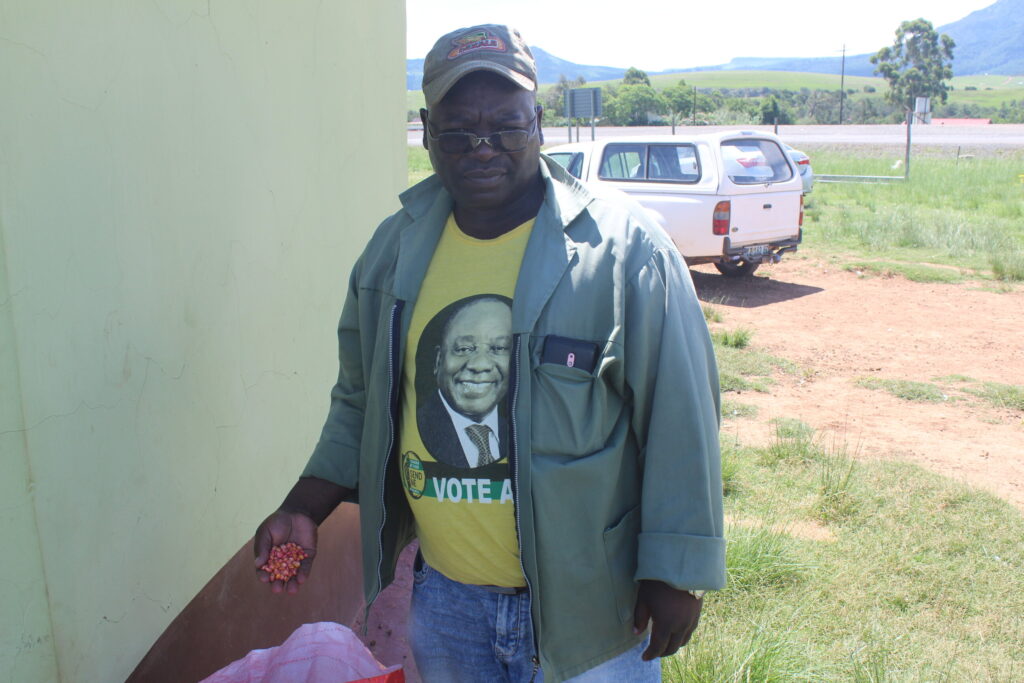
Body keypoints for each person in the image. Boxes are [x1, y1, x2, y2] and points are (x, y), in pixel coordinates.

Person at [253, 23, 725, 683]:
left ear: (538, 123)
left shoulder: (624, 252)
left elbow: (681, 414)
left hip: (590, 606)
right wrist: (305, 505)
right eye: (457, 131)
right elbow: (360, 400)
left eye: (505, 126)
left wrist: (675, 571)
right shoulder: (393, 252)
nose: (483, 149)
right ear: (426, 131)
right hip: (447, 601)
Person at [417, 295, 512, 468]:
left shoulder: (520, 430)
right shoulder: (417, 429)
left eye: (498, 348)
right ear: (438, 360)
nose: (480, 365)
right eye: (464, 349)